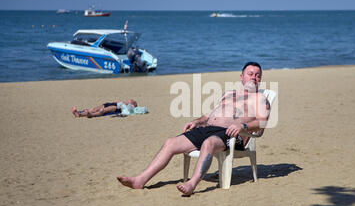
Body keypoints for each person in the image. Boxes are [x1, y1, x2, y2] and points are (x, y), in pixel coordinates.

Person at [117, 62, 271, 196]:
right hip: (208, 128)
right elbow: (210, 114)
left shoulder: (260, 99)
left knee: (209, 143)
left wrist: (242, 125)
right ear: (241, 77)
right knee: (171, 143)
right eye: (250, 74)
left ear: (260, 79)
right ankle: (140, 180)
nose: (253, 77)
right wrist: (197, 121)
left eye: (257, 75)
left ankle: (193, 183)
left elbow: (262, 123)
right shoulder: (229, 94)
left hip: (232, 134)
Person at [72, 99, 137, 118]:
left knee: (102, 111)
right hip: (111, 103)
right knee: (94, 109)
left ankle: (90, 115)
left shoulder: (131, 107)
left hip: (116, 108)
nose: (131, 100)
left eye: (133, 102)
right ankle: (78, 114)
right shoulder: (127, 102)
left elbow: (127, 112)